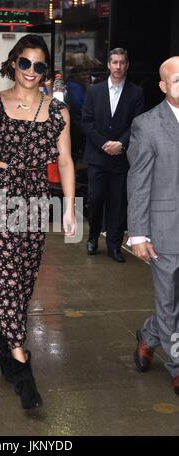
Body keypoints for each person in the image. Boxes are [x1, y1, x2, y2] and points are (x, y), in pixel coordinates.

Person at [0, 34, 76, 409]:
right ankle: (19, 359)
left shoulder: (58, 112)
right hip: (1, 192)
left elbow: (65, 162)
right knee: (8, 274)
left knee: (25, 279)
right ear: (13, 63)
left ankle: (4, 341)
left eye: (39, 66)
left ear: (46, 71)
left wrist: (70, 209)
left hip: (37, 196)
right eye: (24, 63)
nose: (30, 71)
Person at [127, 56, 179, 396]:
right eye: (178, 80)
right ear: (163, 86)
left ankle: (148, 335)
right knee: (169, 301)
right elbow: (139, 180)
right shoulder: (147, 125)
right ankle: (177, 366)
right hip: (165, 230)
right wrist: (138, 234)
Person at [81, 48, 144, 262]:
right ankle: (92, 236)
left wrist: (121, 144)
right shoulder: (94, 91)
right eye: (114, 62)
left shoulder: (136, 93)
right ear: (108, 64)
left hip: (122, 159)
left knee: (118, 203)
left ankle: (114, 246)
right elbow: (86, 122)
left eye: (122, 62)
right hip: (97, 158)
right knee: (95, 199)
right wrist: (104, 144)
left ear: (127, 65)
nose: (118, 66)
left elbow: (137, 124)